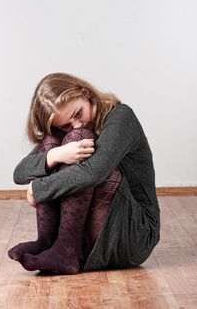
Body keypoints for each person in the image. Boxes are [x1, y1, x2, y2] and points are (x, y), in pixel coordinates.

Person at [8, 72, 160, 274]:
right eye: (65, 125)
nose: (76, 124)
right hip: (93, 232)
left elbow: (93, 173)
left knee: (80, 139)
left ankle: (66, 249)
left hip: (134, 234)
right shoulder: (69, 127)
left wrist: (38, 188)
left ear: (85, 93)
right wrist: (55, 155)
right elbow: (19, 173)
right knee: (51, 143)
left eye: (78, 113)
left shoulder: (121, 117)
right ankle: (48, 242)